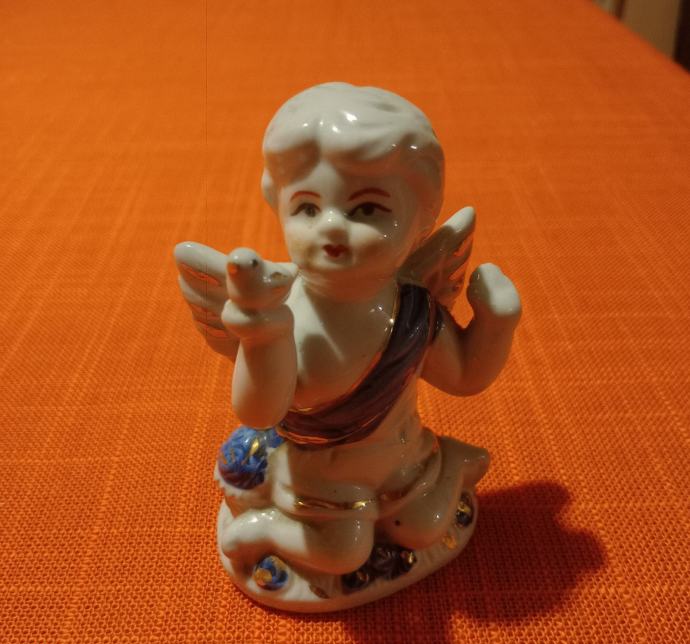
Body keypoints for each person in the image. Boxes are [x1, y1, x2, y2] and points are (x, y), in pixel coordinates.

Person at [175, 83, 521, 601]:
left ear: (419, 221)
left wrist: (496, 322)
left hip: (401, 463)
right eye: (308, 208)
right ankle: (268, 529)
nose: (332, 228)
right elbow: (260, 409)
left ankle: (452, 461)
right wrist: (263, 334)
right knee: (343, 553)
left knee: (423, 527)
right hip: (319, 480)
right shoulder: (285, 311)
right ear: (278, 207)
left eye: (367, 210)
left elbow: (465, 376)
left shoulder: (411, 310)